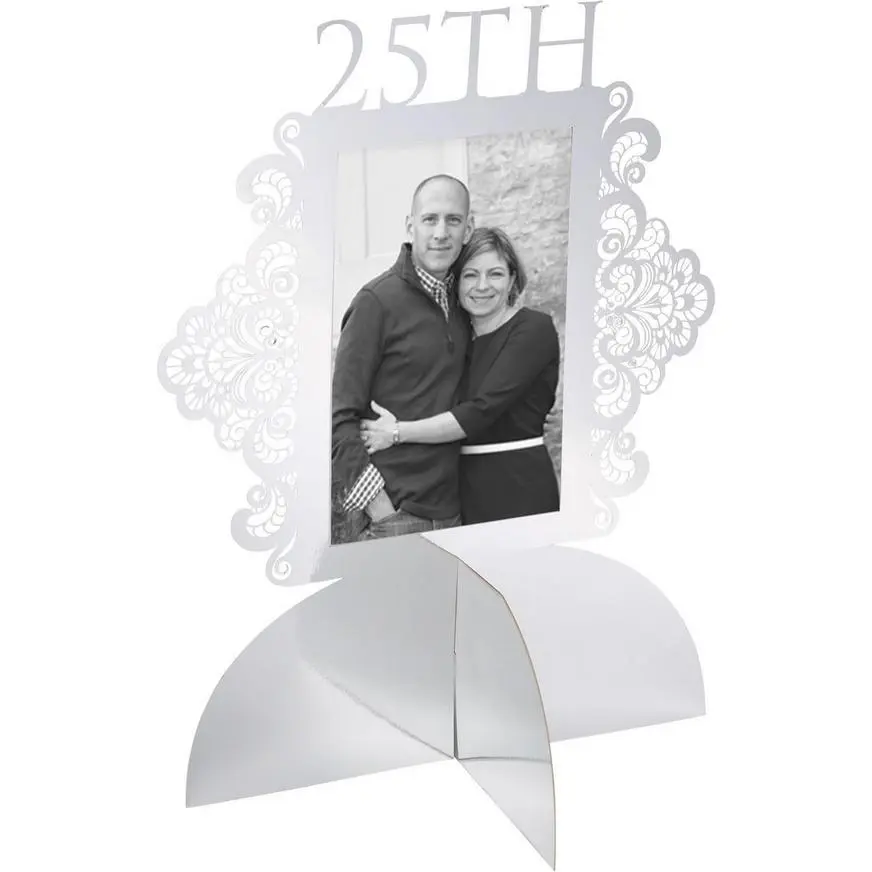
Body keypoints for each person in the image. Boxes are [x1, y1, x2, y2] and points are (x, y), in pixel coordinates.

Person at [360, 227, 561, 525]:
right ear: (456, 283)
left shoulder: (532, 328)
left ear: (512, 280)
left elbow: (481, 410)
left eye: (495, 274)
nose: (482, 286)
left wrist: (397, 432)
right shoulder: (454, 338)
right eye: (470, 275)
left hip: (518, 486)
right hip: (460, 494)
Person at [331, 174, 475, 541]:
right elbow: (340, 417)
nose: (441, 232)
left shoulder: (466, 302)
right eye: (430, 219)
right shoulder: (375, 303)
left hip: (454, 512)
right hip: (395, 516)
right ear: (411, 226)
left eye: (453, 220)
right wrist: (381, 508)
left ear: (468, 228)